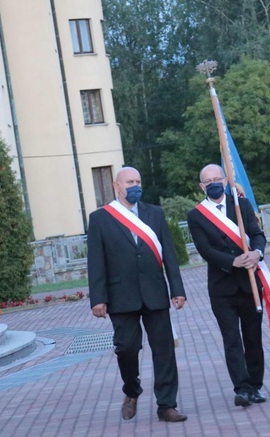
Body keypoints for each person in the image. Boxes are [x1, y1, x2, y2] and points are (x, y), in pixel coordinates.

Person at [87, 166, 187, 422]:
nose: (135, 185)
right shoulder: (100, 218)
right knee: (127, 348)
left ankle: (167, 405)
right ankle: (131, 390)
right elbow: (96, 261)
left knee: (164, 350)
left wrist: (177, 289)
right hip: (121, 296)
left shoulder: (155, 213)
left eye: (138, 181)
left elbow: (170, 255)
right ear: (116, 186)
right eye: (129, 181)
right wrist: (98, 298)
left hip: (155, 292)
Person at [186, 164, 267, 408]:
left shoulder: (241, 205)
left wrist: (257, 254)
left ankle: (255, 386)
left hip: (249, 284)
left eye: (217, 179)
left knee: (253, 338)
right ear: (202, 186)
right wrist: (232, 261)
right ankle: (241, 388)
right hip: (222, 288)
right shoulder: (196, 215)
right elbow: (204, 249)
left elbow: (257, 233)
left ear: (225, 180)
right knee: (232, 339)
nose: (213, 183)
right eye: (207, 181)